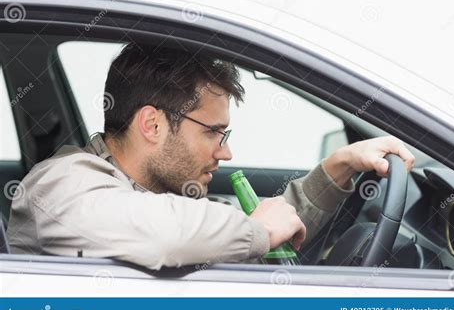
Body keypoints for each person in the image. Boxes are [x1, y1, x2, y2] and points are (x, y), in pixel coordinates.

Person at [6, 44, 415, 270]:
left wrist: (336, 168)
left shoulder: (163, 194)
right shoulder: (61, 186)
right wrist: (255, 231)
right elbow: (164, 233)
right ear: (152, 125)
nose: (226, 151)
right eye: (212, 133)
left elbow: (255, 228)